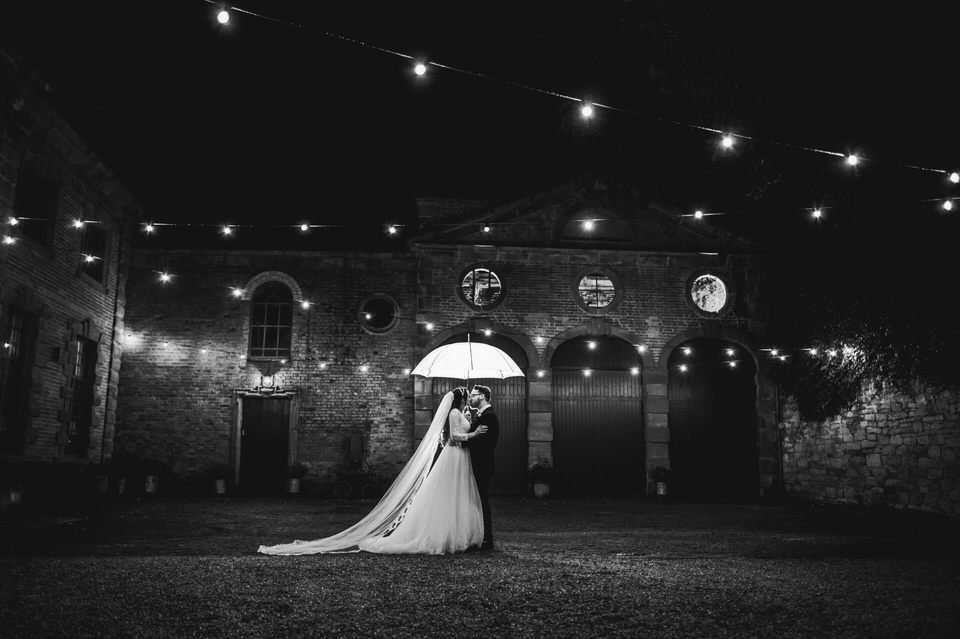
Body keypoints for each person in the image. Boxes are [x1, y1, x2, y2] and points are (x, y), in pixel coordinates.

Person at [257, 388, 487, 555]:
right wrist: (473, 434)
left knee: (458, 494)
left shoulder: (462, 413)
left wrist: (470, 420)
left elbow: (459, 428)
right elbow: (455, 436)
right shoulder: (454, 414)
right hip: (455, 455)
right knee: (450, 493)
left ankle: (458, 534)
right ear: (461, 399)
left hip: (461, 457)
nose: (470, 398)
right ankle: (445, 535)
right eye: (468, 395)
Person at [467, 384, 499, 551]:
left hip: (482, 465)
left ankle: (487, 538)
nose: (470, 398)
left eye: (473, 395)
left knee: (481, 501)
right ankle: (480, 536)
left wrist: (462, 440)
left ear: (481, 396)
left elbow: (481, 442)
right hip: (479, 464)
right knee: (477, 501)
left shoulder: (489, 416)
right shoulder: (482, 415)